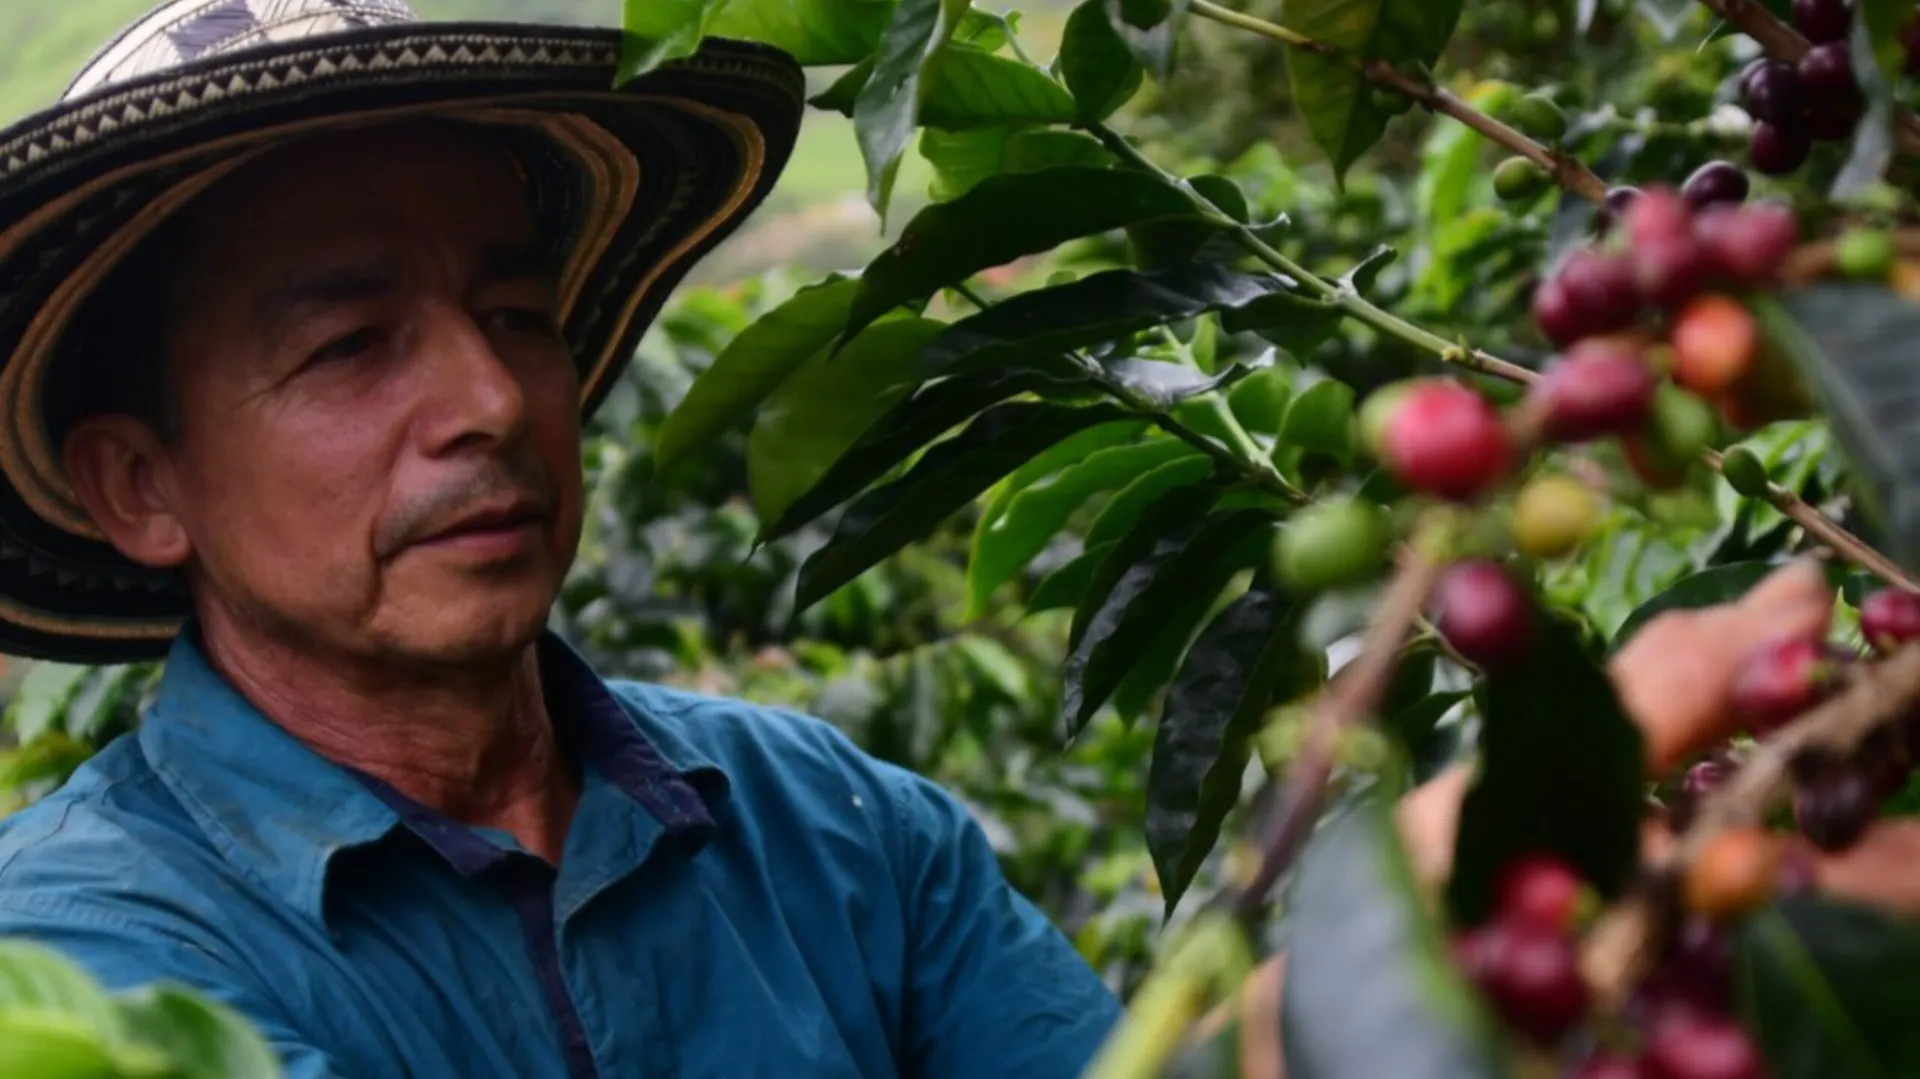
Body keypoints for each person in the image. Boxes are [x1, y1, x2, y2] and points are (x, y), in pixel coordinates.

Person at [0, 3, 1122, 1077]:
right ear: (142, 487)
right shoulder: (73, 954)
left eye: (517, 318)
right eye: (347, 344)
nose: (491, 398)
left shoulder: (837, 830)